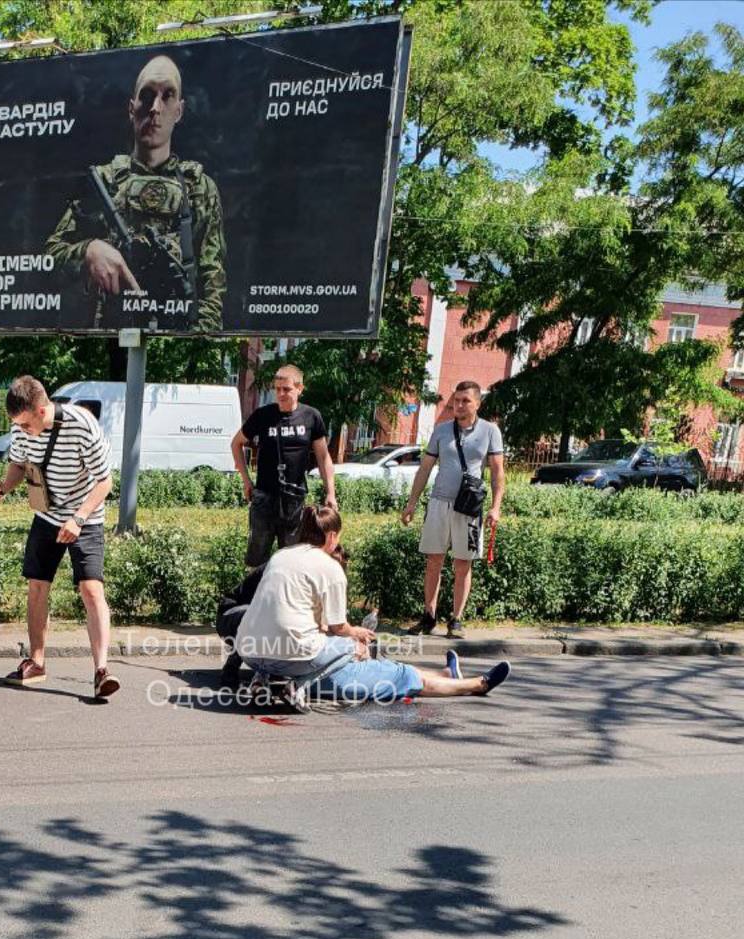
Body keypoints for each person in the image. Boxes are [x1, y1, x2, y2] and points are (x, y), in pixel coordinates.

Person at [236, 505, 511, 708]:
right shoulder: (329, 568)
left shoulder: (281, 556)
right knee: (385, 666)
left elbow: (295, 618)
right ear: (332, 537)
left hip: (250, 649)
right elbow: (337, 627)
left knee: (335, 654)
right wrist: (357, 634)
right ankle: (477, 684)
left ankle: (447, 675)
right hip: (297, 656)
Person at [45, 53, 227, 333]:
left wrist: (193, 341)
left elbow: (212, 283)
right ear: (132, 108)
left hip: (175, 340)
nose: (155, 108)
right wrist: (90, 251)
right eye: (147, 96)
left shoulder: (199, 188)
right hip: (109, 334)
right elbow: (50, 258)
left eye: (167, 96)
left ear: (179, 111)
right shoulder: (105, 181)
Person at [0, 375, 120, 700]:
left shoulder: (82, 425)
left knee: (91, 590)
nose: (19, 431)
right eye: (15, 425)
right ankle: (36, 661)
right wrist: (5, 486)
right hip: (46, 515)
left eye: (24, 423)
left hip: (85, 516)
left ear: (42, 410)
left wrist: (78, 518)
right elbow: (19, 465)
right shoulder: (22, 430)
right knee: (36, 586)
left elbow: (105, 482)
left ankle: (102, 671)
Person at [400, 381, 506, 638]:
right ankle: (428, 616)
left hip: (469, 506)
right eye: (456, 400)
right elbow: (425, 468)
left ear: (478, 403)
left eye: (465, 401)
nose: (459, 405)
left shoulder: (490, 431)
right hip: (439, 502)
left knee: (463, 563)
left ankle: (456, 620)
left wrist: (495, 507)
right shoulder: (441, 430)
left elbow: (497, 472)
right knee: (433, 560)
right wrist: (412, 502)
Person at [231, 364, 336, 568]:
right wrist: (246, 480)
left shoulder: (311, 417)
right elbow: (236, 443)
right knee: (256, 560)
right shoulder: (263, 415)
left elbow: (323, 457)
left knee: (291, 560)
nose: (280, 394)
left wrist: (330, 493)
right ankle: (256, 598)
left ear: (299, 388)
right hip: (263, 497)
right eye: (277, 389)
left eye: (286, 389)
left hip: (294, 499)